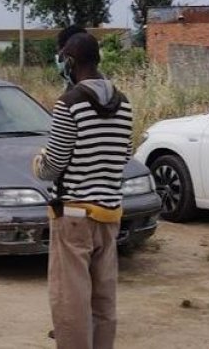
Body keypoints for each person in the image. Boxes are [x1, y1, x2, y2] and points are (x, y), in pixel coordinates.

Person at [33, 32, 133, 349]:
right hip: (109, 213)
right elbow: (124, 154)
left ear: (71, 61)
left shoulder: (69, 104)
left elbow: (54, 163)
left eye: (63, 57)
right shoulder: (124, 102)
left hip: (74, 215)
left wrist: (37, 163)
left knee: (70, 302)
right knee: (103, 299)